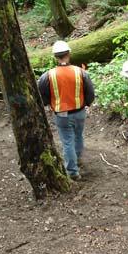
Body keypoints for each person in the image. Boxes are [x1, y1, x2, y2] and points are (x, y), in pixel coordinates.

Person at [38, 40, 95, 180]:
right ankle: (77, 160)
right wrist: (87, 103)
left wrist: (48, 104)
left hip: (62, 115)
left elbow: (42, 94)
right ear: (69, 53)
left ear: (55, 56)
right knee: (78, 136)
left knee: (67, 142)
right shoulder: (80, 72)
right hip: (79, 112)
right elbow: (90, 92)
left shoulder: (48, 75)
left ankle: (72, 172)